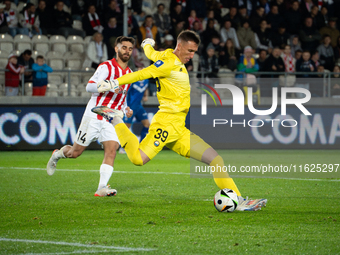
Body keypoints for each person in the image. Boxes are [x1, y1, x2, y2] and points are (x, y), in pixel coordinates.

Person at [91, 30, 267, 211]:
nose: (192, 55)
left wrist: (146, 45)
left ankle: (238, 201)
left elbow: (152, 54)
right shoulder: (169, 62)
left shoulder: (166, 54)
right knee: (137, 159)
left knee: (216, 160)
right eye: (190, 51)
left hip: (179, 128)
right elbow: (142, 74)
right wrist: (113, 83)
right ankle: (115, 120)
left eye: (194, 51)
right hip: (166, 123)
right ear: (180, 46)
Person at [46, 36, 135, 197]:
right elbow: (89, 86)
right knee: (75, 152)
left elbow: (123, 97)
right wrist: (108, 86)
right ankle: (57, 154)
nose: (127, 51)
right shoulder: (106, 67)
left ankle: (101, 187)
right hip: (93, 115)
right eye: (124, 47)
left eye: (129, 48)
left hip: (111, 118)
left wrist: (126, 108)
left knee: (112, 150)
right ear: (116, 48)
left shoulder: (129, 73)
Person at [123, 67, 150, 143]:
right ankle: (123, 146)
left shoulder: (146, 80)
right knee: (126, 127)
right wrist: (125, 105)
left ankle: (142, 145)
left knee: (147, 124)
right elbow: (127, 92)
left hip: (139, 106)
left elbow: (146, 88)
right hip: (131, 105)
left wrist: (145, 96)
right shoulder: (133, 81)